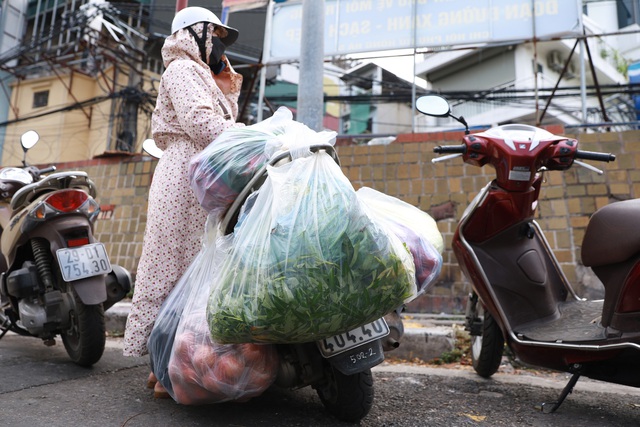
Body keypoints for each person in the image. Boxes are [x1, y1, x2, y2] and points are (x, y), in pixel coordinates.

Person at [122, 6, 243, 398]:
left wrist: (228, 85)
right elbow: (200, 123)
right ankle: (162, 364)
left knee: (201, 269)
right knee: (172, 265)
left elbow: (216, 120)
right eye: (216, 37)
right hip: (184, 174)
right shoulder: (180, 70)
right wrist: (252, 138)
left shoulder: (202, 74)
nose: (219, 47)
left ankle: (181, 363)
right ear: (197, 34)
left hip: (205, 174)